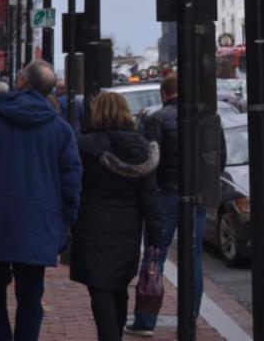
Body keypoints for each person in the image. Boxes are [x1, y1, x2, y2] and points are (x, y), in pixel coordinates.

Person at [0, 59, 82, 341]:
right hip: (39, 224)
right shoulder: (60, 130)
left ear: (22, 81)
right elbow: (72, 181)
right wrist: (67, 221)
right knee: (30, 296)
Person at [69, 92, 162, 341]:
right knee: (119, 285)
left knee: (99, 287)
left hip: (92, 223)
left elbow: (73, 186)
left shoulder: (84, 145)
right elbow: (149, 197)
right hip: (128, 226)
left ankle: (108, 336)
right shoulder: (141, 148)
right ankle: (115, 334)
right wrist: (156, 236)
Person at [125, 73, 204, 336]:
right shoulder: (204, 117)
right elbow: (218, 156)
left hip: (165, 195)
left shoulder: (156, 119)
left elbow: (149, 160)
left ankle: (146, 320)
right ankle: (190, 317)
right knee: (193, 258)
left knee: (154, 255)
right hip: (195, 195)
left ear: (163, 94)